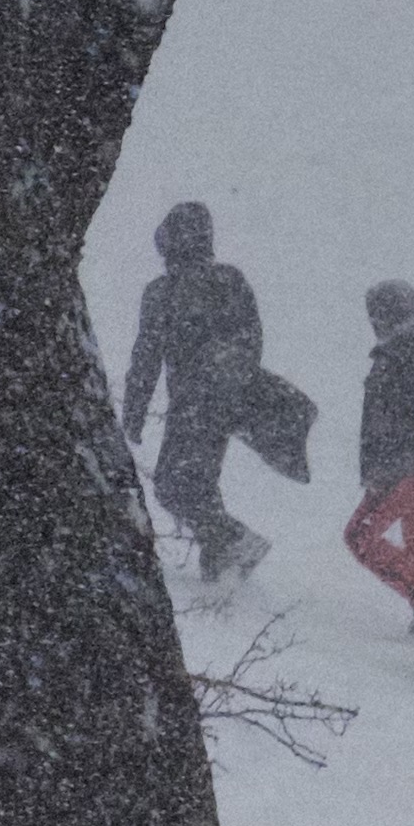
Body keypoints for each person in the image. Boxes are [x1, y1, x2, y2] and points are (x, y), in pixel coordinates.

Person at [119, 204, 269, 583]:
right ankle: (219, 566)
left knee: (171, 486)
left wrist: (134, 415)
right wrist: (235, 387)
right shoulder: (231, 281)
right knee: (199, 483)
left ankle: (236, 542)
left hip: (191, 404)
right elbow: (252, 342)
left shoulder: (163, 292)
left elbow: (145, 359)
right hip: (225, 405)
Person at [345, 279, 414, 621]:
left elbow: (392, 418)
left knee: (361, 536)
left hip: (404, 468)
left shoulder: (401, 352)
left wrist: (382, 468)